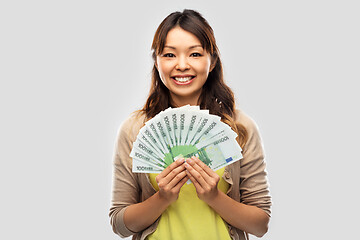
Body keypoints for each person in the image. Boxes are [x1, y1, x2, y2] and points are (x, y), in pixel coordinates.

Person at [109, 9, 272, 240]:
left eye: (195, 54)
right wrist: (162, 197)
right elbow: (120, 223)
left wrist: (213, 196)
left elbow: (260, 225)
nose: (182, 65)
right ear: (156, 62)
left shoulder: (240, 127)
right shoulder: (134, 129)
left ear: (212, 61)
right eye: (169, 55)